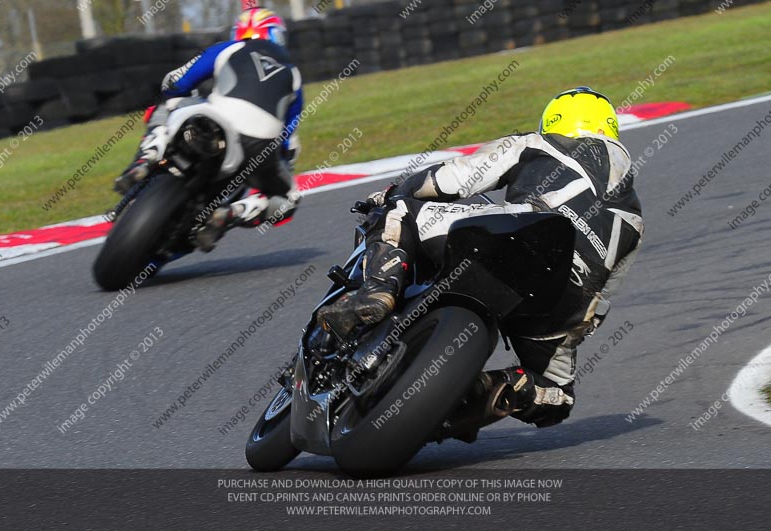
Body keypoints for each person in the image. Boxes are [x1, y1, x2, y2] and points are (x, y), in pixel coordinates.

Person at [317, 87, 643, 428]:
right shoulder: (635, 217)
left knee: (399, 212)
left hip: (516, 243)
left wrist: (393, 192)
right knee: (556, 395)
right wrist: (569, 332)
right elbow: (603, 300)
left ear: (553, 121)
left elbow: (453, 178)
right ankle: (463, 404)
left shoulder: (538, 143)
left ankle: (377, 292)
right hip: (564, 303)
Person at [114, 7, 303, 251]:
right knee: (289, 199)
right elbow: (288, 142)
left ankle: (148, 156)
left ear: (238, 32)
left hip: (215, 118)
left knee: (168, 104)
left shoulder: (228, 48)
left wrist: (182, 98)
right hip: (260, 147)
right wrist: (278, 169)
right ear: (277, 36)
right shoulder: (294, 75)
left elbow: (175, 81)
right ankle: (232, 213)